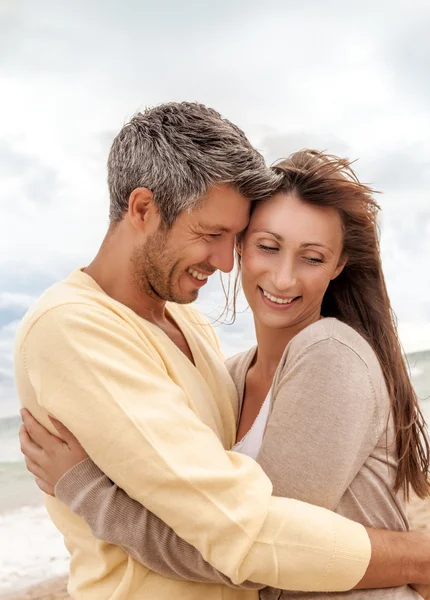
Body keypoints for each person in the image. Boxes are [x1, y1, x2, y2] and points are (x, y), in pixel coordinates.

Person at [15, 103, 430, 600]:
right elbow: (247, 535)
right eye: (216, 236)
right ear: (143, 209)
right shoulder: (76, 327)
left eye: (230, 239)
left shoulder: (200, 330)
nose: (225, 263)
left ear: (338, 265)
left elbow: (245, 536)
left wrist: (88, 491)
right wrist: (414, 556)